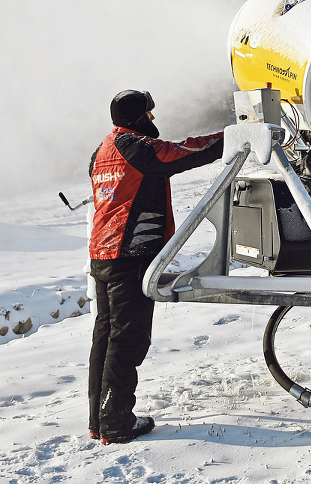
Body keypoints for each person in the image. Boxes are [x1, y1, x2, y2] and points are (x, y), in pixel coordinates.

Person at [87, 89, 224, 444]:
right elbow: (183, 153)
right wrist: (233, 137)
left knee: (106, 335)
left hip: (103, 254)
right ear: (137, 118)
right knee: (127, 339)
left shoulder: (102, 150)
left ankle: (100, 419)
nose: (153, 119)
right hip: (130, 254)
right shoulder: (135, 146)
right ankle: (116, 422)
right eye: (149, 113)